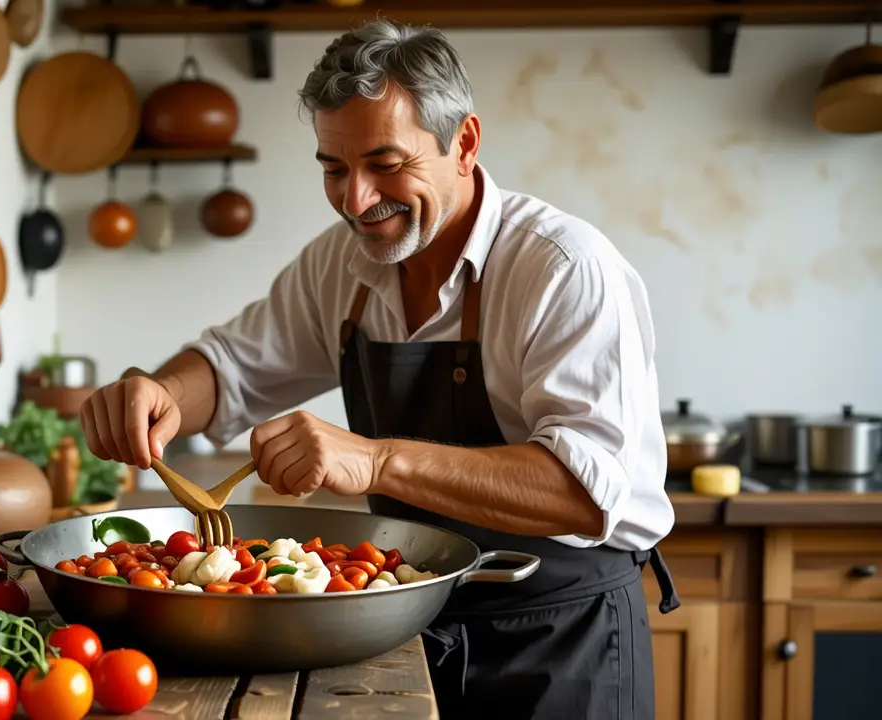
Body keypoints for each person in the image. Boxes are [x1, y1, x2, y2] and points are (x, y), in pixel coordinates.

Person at [80, 18, 679, 719]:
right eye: (333, 168)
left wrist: (376, 461)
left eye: (386, 163)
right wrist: (164, 395)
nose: (356, 200)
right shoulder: (345, 262)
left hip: (562, 640)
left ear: (464, 143)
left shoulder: (563, 268)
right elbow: (233, 366)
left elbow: (583, 491)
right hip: (405, 630)